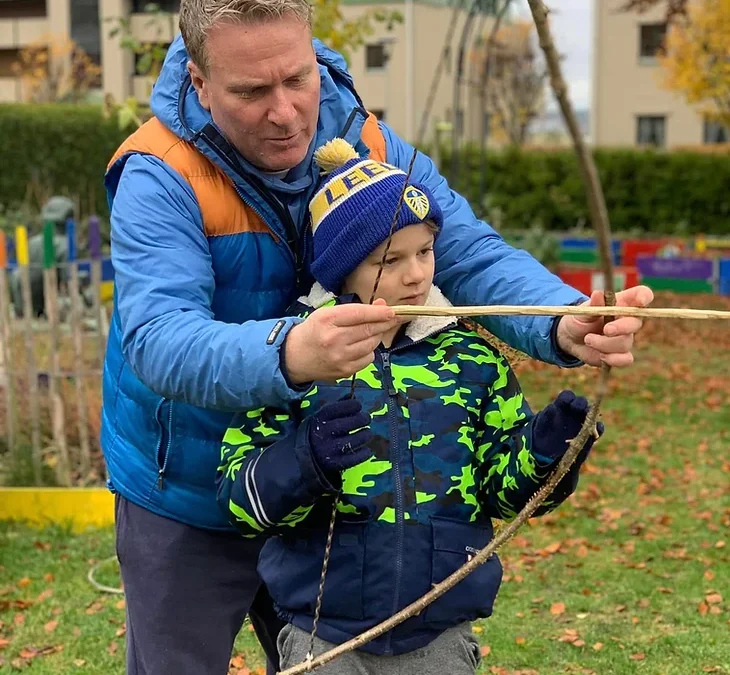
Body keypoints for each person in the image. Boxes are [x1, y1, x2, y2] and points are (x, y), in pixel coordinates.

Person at [102, 0, 653, 672]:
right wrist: (292, 352)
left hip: (332, 506)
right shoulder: (159, 170)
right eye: (252, 91)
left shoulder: (367, 140)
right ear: (199, 78)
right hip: (186, 489)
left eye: (297, 79)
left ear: (314, 52)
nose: (285, 113)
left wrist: (562, 317)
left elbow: (466, 250)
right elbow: (159, 337)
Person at [216, 138, 605, 674]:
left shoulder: (472, 361)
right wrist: (305, 463)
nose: (416, 274)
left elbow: (504, 492)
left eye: (425, 251)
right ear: (342, 271)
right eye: (389, 260)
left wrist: (547, 451)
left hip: (438, 634)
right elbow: (240, 501)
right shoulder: (295, 357)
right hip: (322, 639)